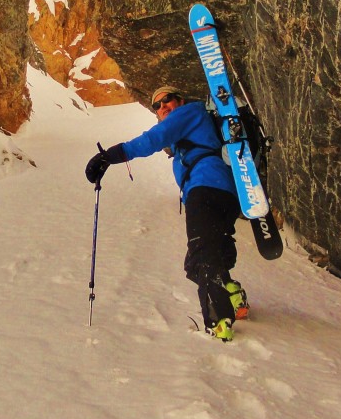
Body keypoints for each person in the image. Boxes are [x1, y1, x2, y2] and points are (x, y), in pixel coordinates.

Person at [85, 86, 248, 341]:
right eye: (157, 106)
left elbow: (151, 140)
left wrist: (109, 156)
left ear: (180, 100)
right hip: (223, 193)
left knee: (202, 256)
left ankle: (218, 323)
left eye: (167, 100)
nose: (163, 107)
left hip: (205, 188)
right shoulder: (189, 130)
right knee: (201, 259)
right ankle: (233, 296)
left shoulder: (189, 113)